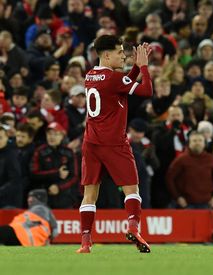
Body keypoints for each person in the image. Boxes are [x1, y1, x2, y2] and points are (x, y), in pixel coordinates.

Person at [77, 35, 152, 253]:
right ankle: (133, 227)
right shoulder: (114, 78)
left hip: (91, 142)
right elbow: (146, 91)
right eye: (120, 52)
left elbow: (119, 86)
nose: (124, 55)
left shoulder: (91, 75)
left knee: (89, 194)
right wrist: (144, 68)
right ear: (107, 55)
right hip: (114, 143)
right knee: (132, 188)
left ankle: (85, 242)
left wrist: (135, 68)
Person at [166, 131, 213, 209]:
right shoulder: (181, 159)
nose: (197, 143)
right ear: (189, 143)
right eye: (194, 140)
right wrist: (177, 197)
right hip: (186, 204)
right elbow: (169, 178)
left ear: (204, 143)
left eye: (200, 140)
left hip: (207, 203)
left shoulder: (211, 158)